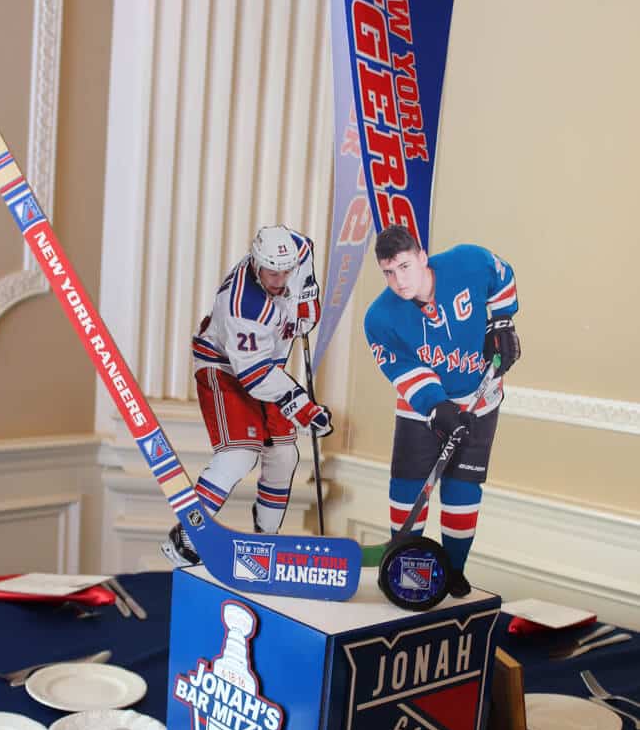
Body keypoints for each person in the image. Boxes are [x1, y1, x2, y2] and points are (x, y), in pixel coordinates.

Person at [364, 224, 521, 596]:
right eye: (388, 272)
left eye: (404, 267)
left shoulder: (469, 262)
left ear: (422, 257)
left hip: (481, 399)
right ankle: (403, 562)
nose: (398, 281)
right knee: (407, 486)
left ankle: (453, 571)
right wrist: (436, 405)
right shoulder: (380, 318)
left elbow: (502, 276)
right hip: (423, 411)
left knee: (464, 487)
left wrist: (501, 321)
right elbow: (402, 369)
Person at [162, 224, 332, 567]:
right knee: (239, 455)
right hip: (224, 367)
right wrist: (304, 408)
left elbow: (305, 260)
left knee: (284, 456)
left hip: (265, 367)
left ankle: (266, 540)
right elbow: (255, 378)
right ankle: (187, 536)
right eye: (272, 271)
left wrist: (306, 307)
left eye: (285, 271)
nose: (279, 278)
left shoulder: (297, 252)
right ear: (255, 262)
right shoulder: (244, 305)